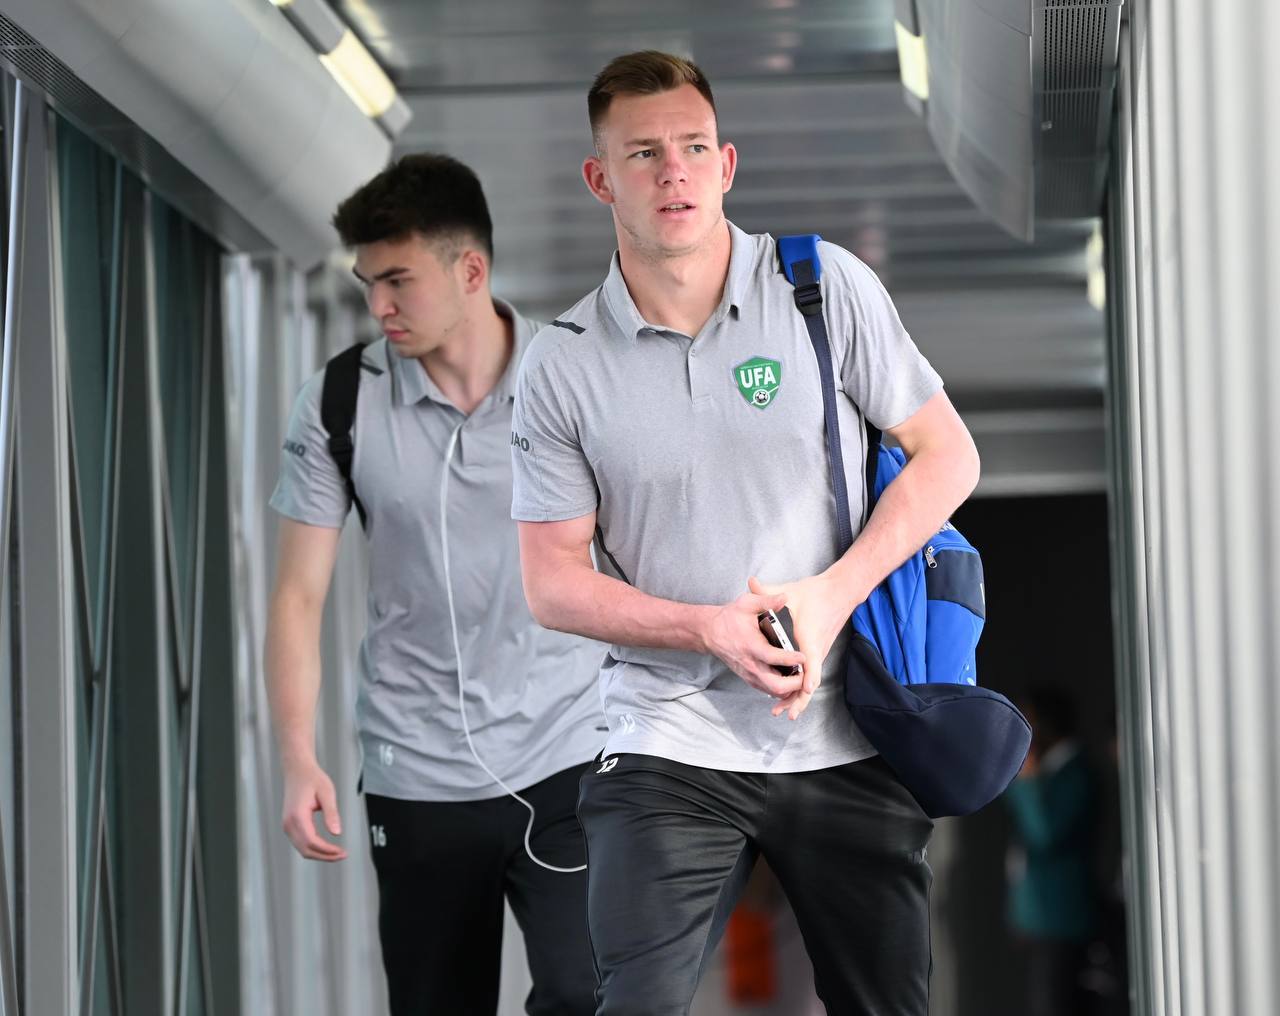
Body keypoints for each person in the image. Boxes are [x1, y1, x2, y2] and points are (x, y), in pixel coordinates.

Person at [510, 51, 981, 1015]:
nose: (672, 173)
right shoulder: (562, 365)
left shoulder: (821, 287)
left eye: (692, 148)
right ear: (600, 179)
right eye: (643, 154)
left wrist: (831, 595)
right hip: (666, 736)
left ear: (726, 165)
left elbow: (948, 456)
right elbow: (552, 581)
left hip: (848, 728)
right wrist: (705, 629)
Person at [265, 153, 604, 1016]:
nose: (378, 306)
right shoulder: (339, 403)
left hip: (569, 751)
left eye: (398, 282)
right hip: (417, 773)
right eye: (368, 283)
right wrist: (298, 757)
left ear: (471, 271)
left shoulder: (574, 377)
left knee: (592, 994)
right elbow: (298, 597)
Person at [1005, 686, 1100, 1016]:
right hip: (1042, 919)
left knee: (1054, 1005)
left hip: (1061, 921)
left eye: (1028, 722)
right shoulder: (1052, 770)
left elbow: (1044, 833)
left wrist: (1027, 781)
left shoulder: (1076, 772)